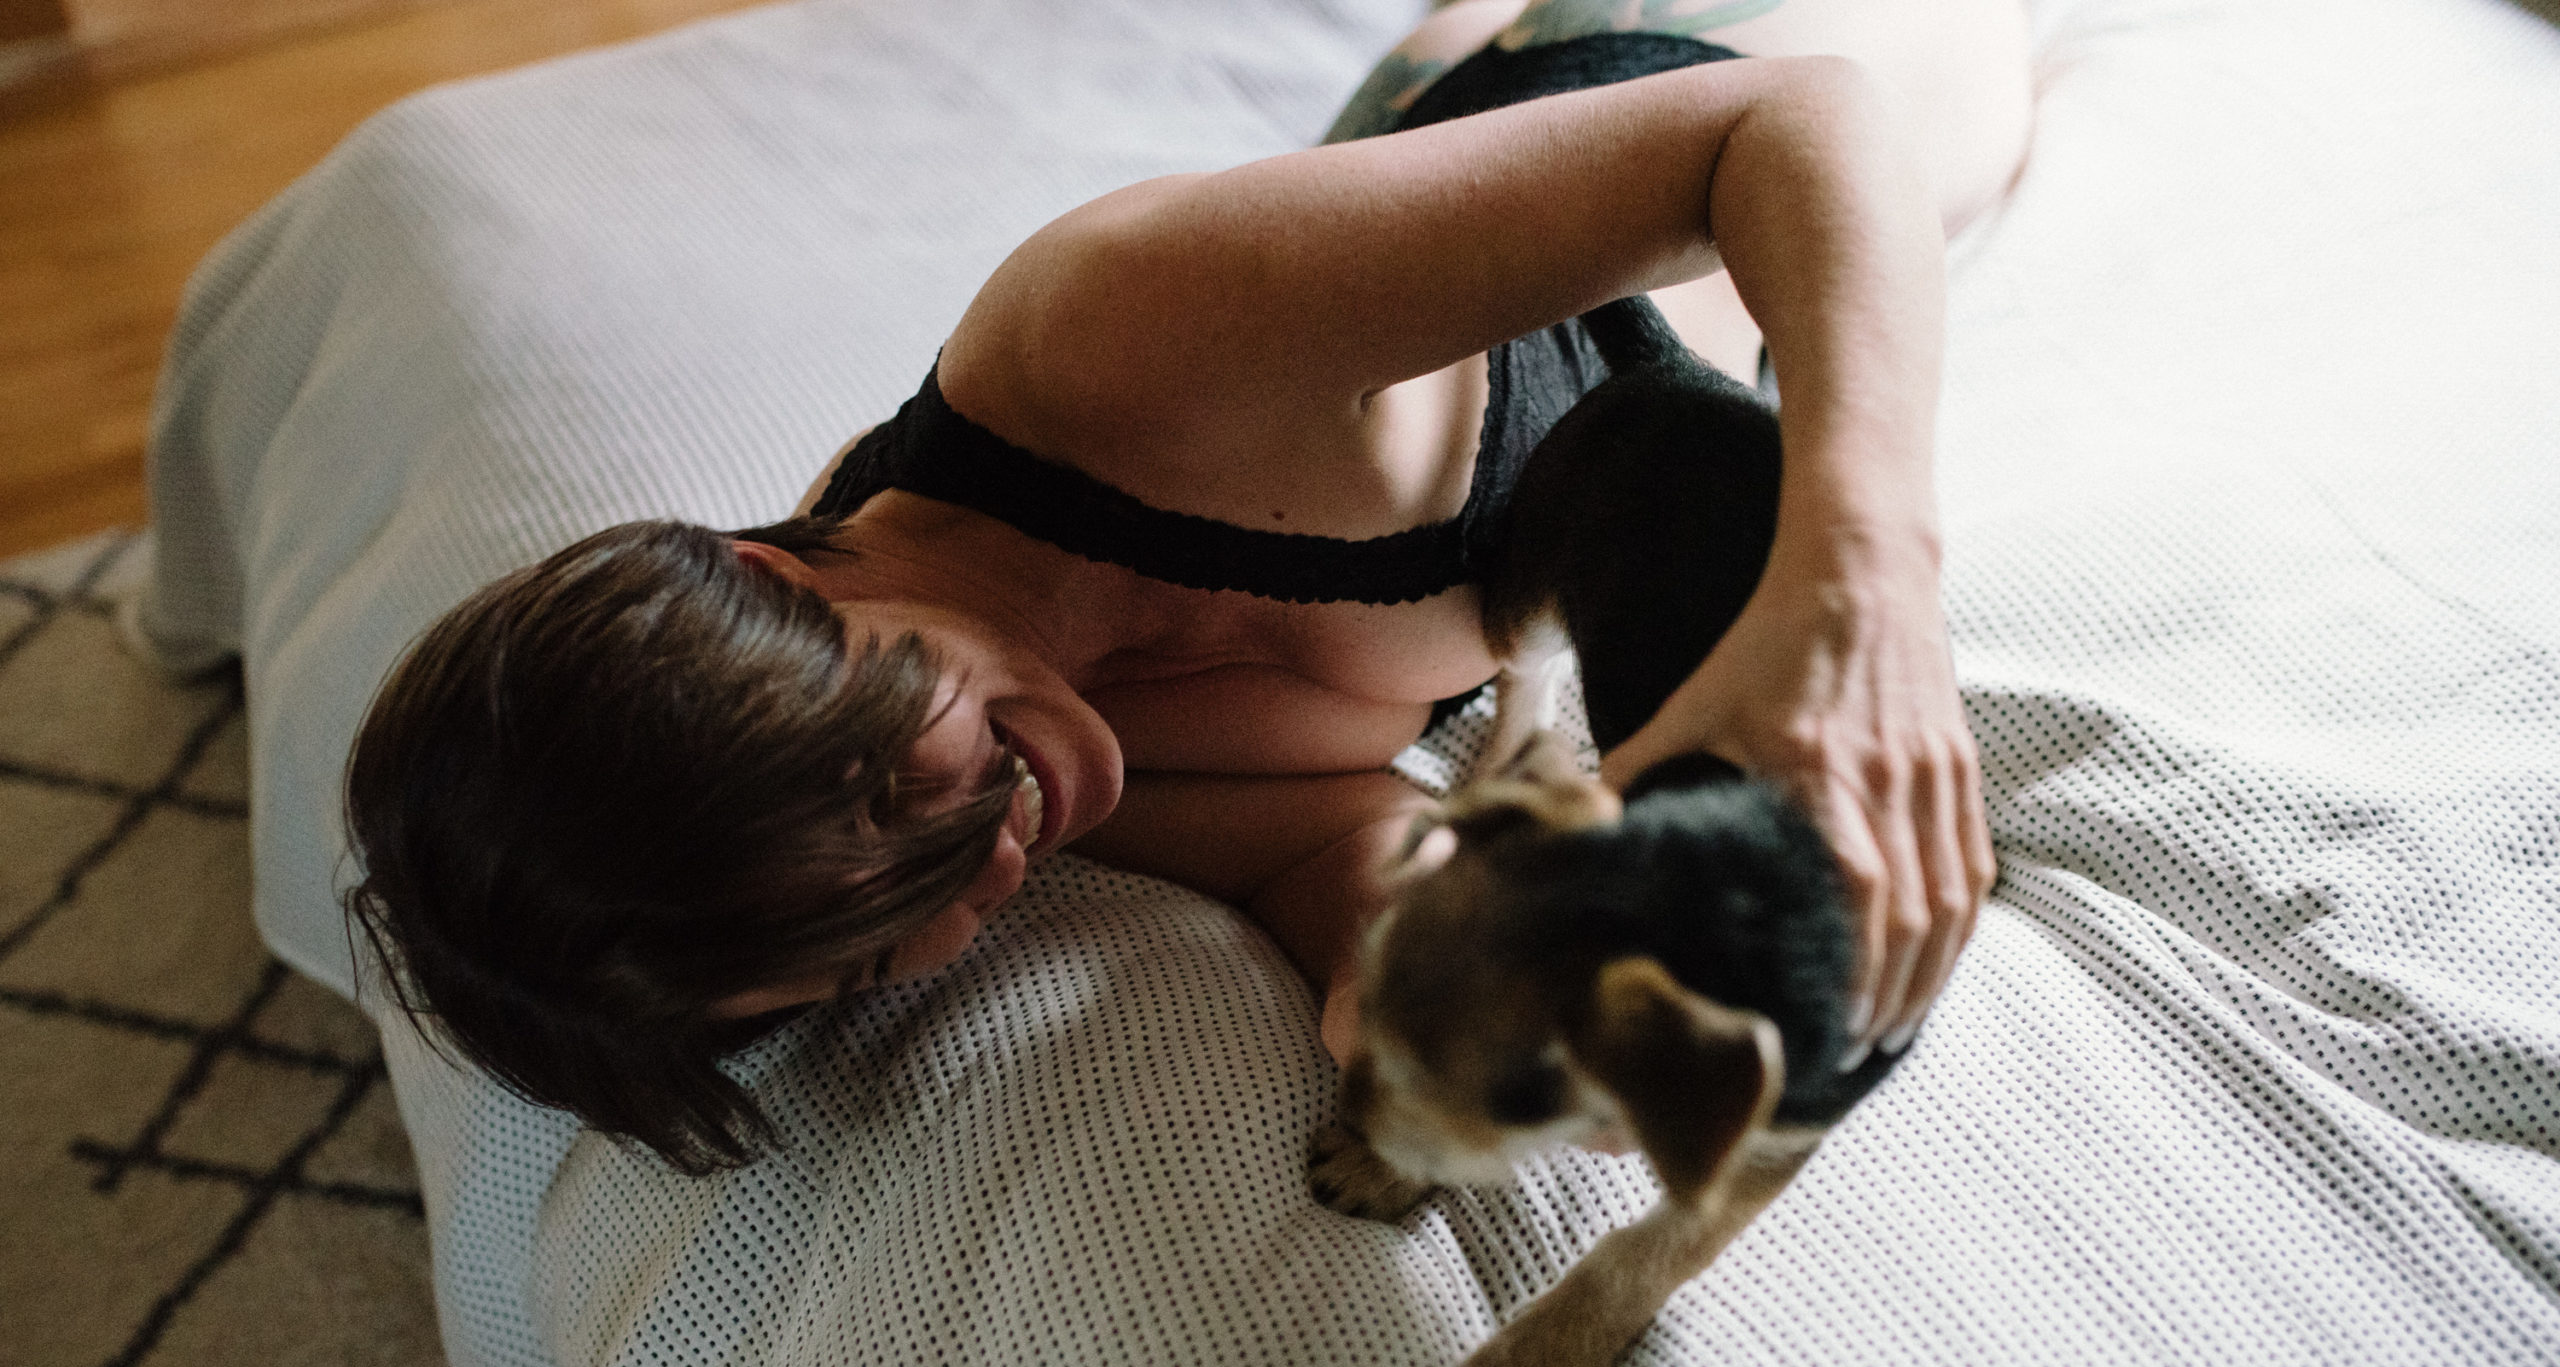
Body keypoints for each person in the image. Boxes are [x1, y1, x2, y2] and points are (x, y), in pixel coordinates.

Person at [346, 0, 2025, 1172]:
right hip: (1416, 203)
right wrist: (1392, 991)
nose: (982, 877)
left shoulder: (1109, 338)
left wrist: (1862, 569)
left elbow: (1796, 123)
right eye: (872, 959)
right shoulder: (1018, 797)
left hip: (1710, 57)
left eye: (893, 796)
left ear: (756, 572)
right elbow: (1315, 837)